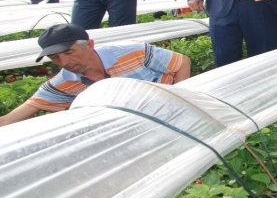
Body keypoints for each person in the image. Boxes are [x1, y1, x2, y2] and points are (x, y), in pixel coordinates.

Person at [0, 24, 191, 127]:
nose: (64, 63)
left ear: (90, 45)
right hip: (134, 123)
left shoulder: (133, 52)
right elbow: (10, 119)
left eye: (69, 53)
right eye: (55, 57)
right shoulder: (63, 83)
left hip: (169, 105)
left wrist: (182, 98)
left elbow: (182, 61)